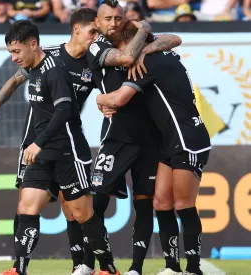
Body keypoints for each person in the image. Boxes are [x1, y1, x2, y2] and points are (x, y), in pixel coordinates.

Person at [0, 19, 120, 275]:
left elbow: (63, 110)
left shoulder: (54, 70)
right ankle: (19, 270)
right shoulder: (32, 67)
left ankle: (108, 268)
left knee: (82, 214)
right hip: (41, 152)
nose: (14, 58)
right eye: (11, 53)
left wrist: (38, 142)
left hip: (68, 151)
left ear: (33, 44)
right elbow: (16, 85)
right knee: (27, 207)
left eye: (17, 51)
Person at [96, 40, 211, 275]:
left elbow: (118, 99)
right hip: (167, 141)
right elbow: (172, 38)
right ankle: (172, 266)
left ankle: (194, 268)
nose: (124, 52)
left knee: (183, 204)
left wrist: (100, 100)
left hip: (186, 137)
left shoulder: (149, 62)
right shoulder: (159, 54)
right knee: (161, 203)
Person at [86, 1, 181, 274]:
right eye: (108, 19)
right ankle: (99, 265)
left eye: (118, 18)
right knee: (97, 202)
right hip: (115, 137)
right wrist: (144, 34)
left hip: (149, 138)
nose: (114, 23)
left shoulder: (135, 40)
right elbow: (126, 59)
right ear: (98, 23)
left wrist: (145, 48)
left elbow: (175, 38)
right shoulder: (97, 47)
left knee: (145, 204)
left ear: (124, 19)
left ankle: (136, 268)